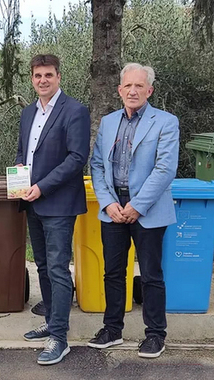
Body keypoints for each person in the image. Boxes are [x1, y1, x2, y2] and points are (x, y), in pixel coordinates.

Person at [88, 63, 179, 358]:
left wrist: (137, 206)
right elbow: (98, 165)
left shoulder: (166, 122)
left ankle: (155, 335)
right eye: (127, 86)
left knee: (151, 274)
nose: (133, 91)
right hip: (113, 208)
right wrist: (108, 203)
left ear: (149, 90)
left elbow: (165, 169)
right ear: (119, 90)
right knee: (113, 272)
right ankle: (112, 330)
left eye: (139, 86)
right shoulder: (108, 122)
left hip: (148, 210)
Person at [15, 54, 90, 365]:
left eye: (48, 75)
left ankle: (59, 338)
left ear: (59, 77)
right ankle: (51, 319)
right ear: (32, 79)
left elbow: (76, 158)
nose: (42, 80)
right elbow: (24, 151)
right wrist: (19, 169)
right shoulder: (27, 112)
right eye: (37, 76)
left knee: (58, 269)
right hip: (31, 200)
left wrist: (42, 186)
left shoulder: (75, 111)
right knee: (43, 267)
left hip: (57, 202)